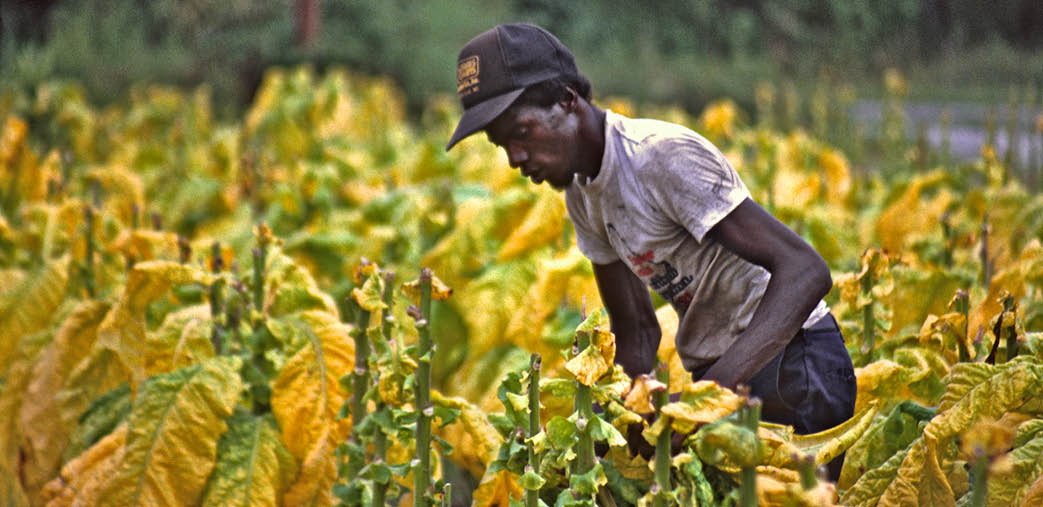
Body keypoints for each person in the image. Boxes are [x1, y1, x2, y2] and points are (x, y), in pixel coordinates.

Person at [445, 23, 856, 478]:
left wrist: (709, 398)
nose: (515, 159)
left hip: (793, 366)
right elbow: (637, 332)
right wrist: (616, 429)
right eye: (502, 145)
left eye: (522, 132)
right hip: (726, 380)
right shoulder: (583, 195)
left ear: (567, 100)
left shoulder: (658, 156)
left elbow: (804, 271)